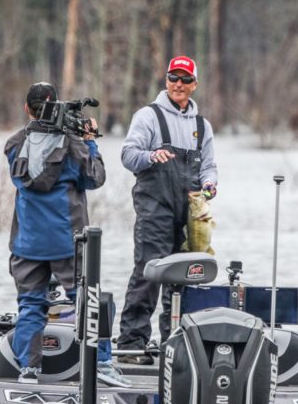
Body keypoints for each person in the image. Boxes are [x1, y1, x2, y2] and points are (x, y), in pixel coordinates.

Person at [4, 82, 130, 386]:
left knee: (31, 306)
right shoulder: (73, 145)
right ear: (57, 107)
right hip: (67, 243)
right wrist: (90, 141)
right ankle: (102, 363)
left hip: (27, 244)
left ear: (27, 108)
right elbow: (95, 177)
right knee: (89, 301)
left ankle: (29, 370)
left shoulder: (13, 145)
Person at [117, 56, 218, 364]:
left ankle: (177, 345)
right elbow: (128, 155)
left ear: (194, 85)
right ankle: (132, 344)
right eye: (174, 77)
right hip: (154, 209)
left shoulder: (203, 126)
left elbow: (209, 167)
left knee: (186, 278)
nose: (179, 84)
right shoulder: (148, 116)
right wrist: (151, 156)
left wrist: (210, 184)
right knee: (149, 274)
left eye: (185, 79)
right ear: (166, 81)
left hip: (190, 216)